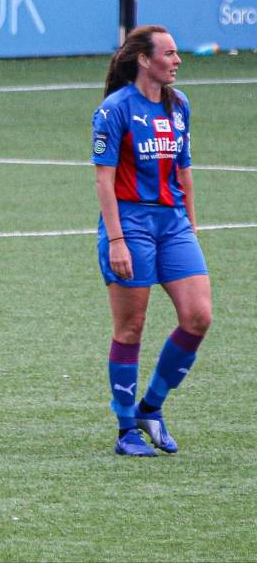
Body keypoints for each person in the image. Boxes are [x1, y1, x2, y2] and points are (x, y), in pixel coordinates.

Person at [91, 25, 211, 457]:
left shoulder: (180, 106)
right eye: (170, 53)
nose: (177, 60)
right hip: (131, 223)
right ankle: (126, 429)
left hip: (174, 224)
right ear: (145, 59)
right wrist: (117, 240)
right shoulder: (114, 110)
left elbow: (185, 171)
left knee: (198, 316)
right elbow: (103, 181)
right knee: (131, 326)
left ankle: (151, 407)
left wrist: (191, 228)